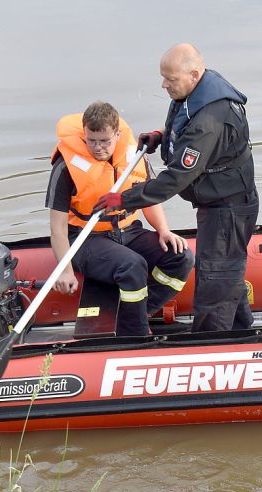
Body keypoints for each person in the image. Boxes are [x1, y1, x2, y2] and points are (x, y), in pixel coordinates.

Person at [94, 43, 259, 333]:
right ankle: (243, 331)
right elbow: (187, 131)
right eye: (163, 77)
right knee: (226, 273)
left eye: (170, 79)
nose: (163, 84)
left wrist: (125, 199)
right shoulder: (196, 91)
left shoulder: (210, 119)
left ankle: (211, 345)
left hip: (228, 210)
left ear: (194, 74)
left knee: (215, 280)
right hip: (217, 203)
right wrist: (163, 135)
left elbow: (176, 178)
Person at [45, 101, 193, 336]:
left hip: (128, 230)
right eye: (91, 140)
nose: (98, 148)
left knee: (181, 257)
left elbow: (149, 198)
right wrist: (64, 269)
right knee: (132, 265)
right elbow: (58, 228)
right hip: (86, 239)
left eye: (104, 141)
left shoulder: (133, 156)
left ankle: (137, 313)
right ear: (84, 134)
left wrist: (164, 230)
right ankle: (136, 334)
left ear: (118, 134)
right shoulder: (65, 168)